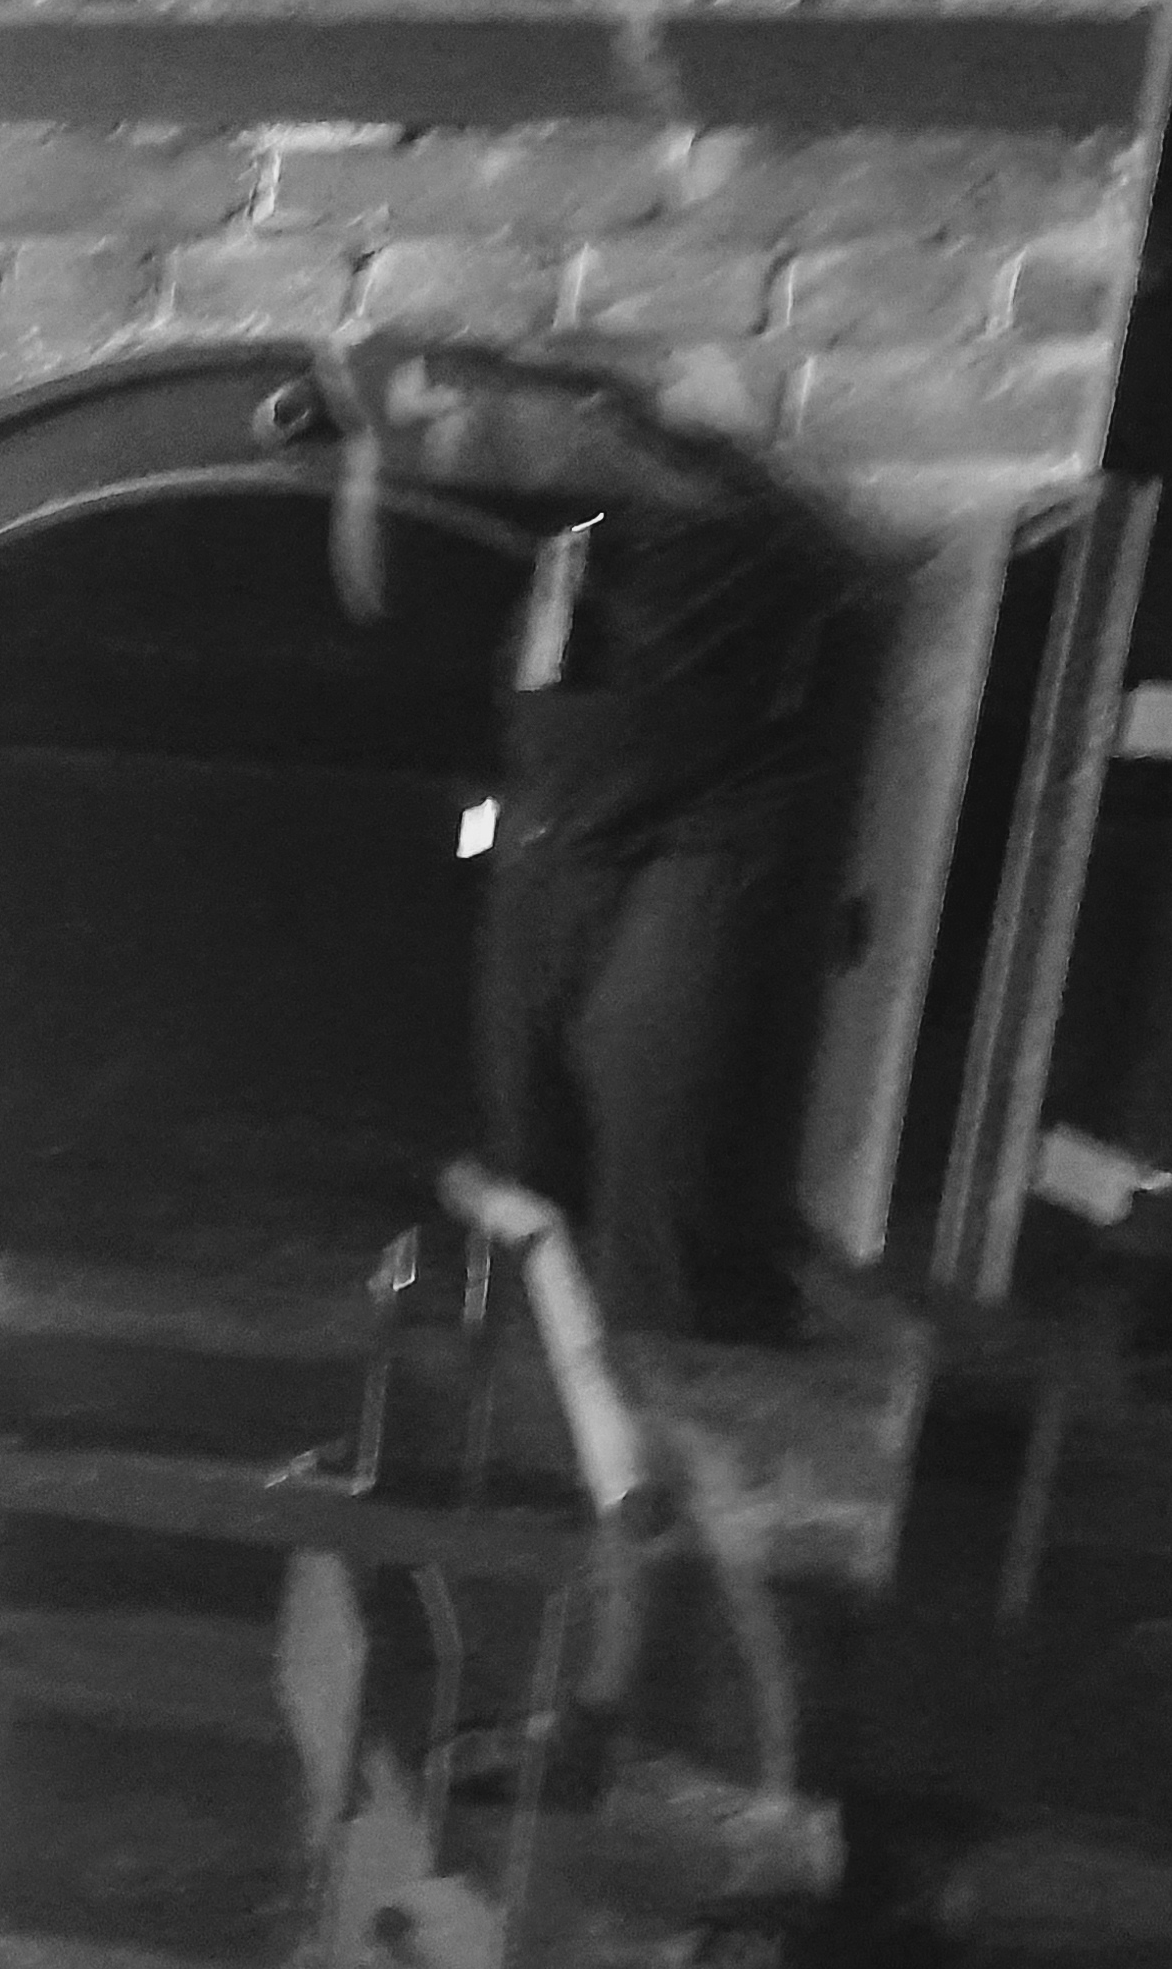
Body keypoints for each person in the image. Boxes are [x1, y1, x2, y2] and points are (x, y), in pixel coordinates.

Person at [321, 339, 868, 1342]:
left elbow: (771, 509)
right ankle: (541, 1360)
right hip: (552, 830)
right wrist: (372, 449)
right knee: (527, 1125)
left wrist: (522, 405)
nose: (437, 427)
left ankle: (674, 1368)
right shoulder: (560, 526)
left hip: (699, 834)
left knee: (656, 1117)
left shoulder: (696, 484)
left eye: (450, 401)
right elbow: (379, 602)